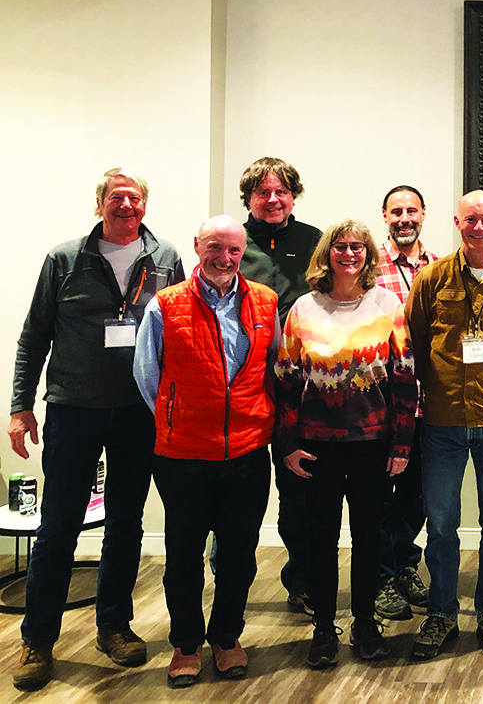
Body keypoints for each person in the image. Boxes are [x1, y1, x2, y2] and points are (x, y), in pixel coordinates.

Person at [9, 167, 184, 692]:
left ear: (145, 206)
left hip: (138, 412)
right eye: (116, 197)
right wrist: (21, 407)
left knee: (126, 523)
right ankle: (38, 639)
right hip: (73, 409)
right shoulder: (65, 258)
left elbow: (181, 332)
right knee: (58, 526)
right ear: (100, 205)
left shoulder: (167, 258)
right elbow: (33, 336)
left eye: (134, 198)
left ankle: (113, 625)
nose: (125, 205)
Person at [133, 215, 277, 687]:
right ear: (198, 246)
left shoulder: (266, 302)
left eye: (234, 250)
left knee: (239, 552)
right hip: (184, 454)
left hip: (248, 451)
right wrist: (180, 415)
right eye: (215, 247)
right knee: (183, 554)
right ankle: (186, 644)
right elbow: (147, 376)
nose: (224, 258)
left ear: (244, 253)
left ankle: (227, 638)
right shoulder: (165, 305)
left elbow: (274, 367)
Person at [274, 219, 418, 667]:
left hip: (374, 442)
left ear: (369, 254)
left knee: (370, 537)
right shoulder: (303, 308)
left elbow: (405, 376)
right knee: (320, 538)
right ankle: (322, 628)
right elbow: (285, 381)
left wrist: (402, 445)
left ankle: (366, 622)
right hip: (317, 445)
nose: (349, 253)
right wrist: (287, 445)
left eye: (358, 246)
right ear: (327, 253)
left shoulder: (386, 303)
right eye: (340, 246)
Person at [405, 190, 483, 660]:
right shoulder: (432, 278)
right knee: (440, 525)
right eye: (470, 219)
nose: (479, 226)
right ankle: (441, 612)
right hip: (441, 421)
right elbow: (417, 342)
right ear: (456, 223)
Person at [235, 157, 322, 612]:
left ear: (293, 195)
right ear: (249, 197)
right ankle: (227, 579)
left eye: (281, 192)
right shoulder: (232, 241)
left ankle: (301, 581)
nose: (272, 200)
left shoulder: (316, 242)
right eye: (263, 192)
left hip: (301, 390)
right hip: (242, 389)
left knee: (299, 493)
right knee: (236, 491)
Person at [374, 184, 437, 621]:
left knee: (416, 496)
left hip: (426, 403)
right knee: (378, 495)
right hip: (379, 404)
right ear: (384, 215)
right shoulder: (365, 265)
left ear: (423, 214)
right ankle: (380, 579)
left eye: (411, 211)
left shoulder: (439, 268)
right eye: (396, 212)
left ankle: (404, 565)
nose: (404, 219)